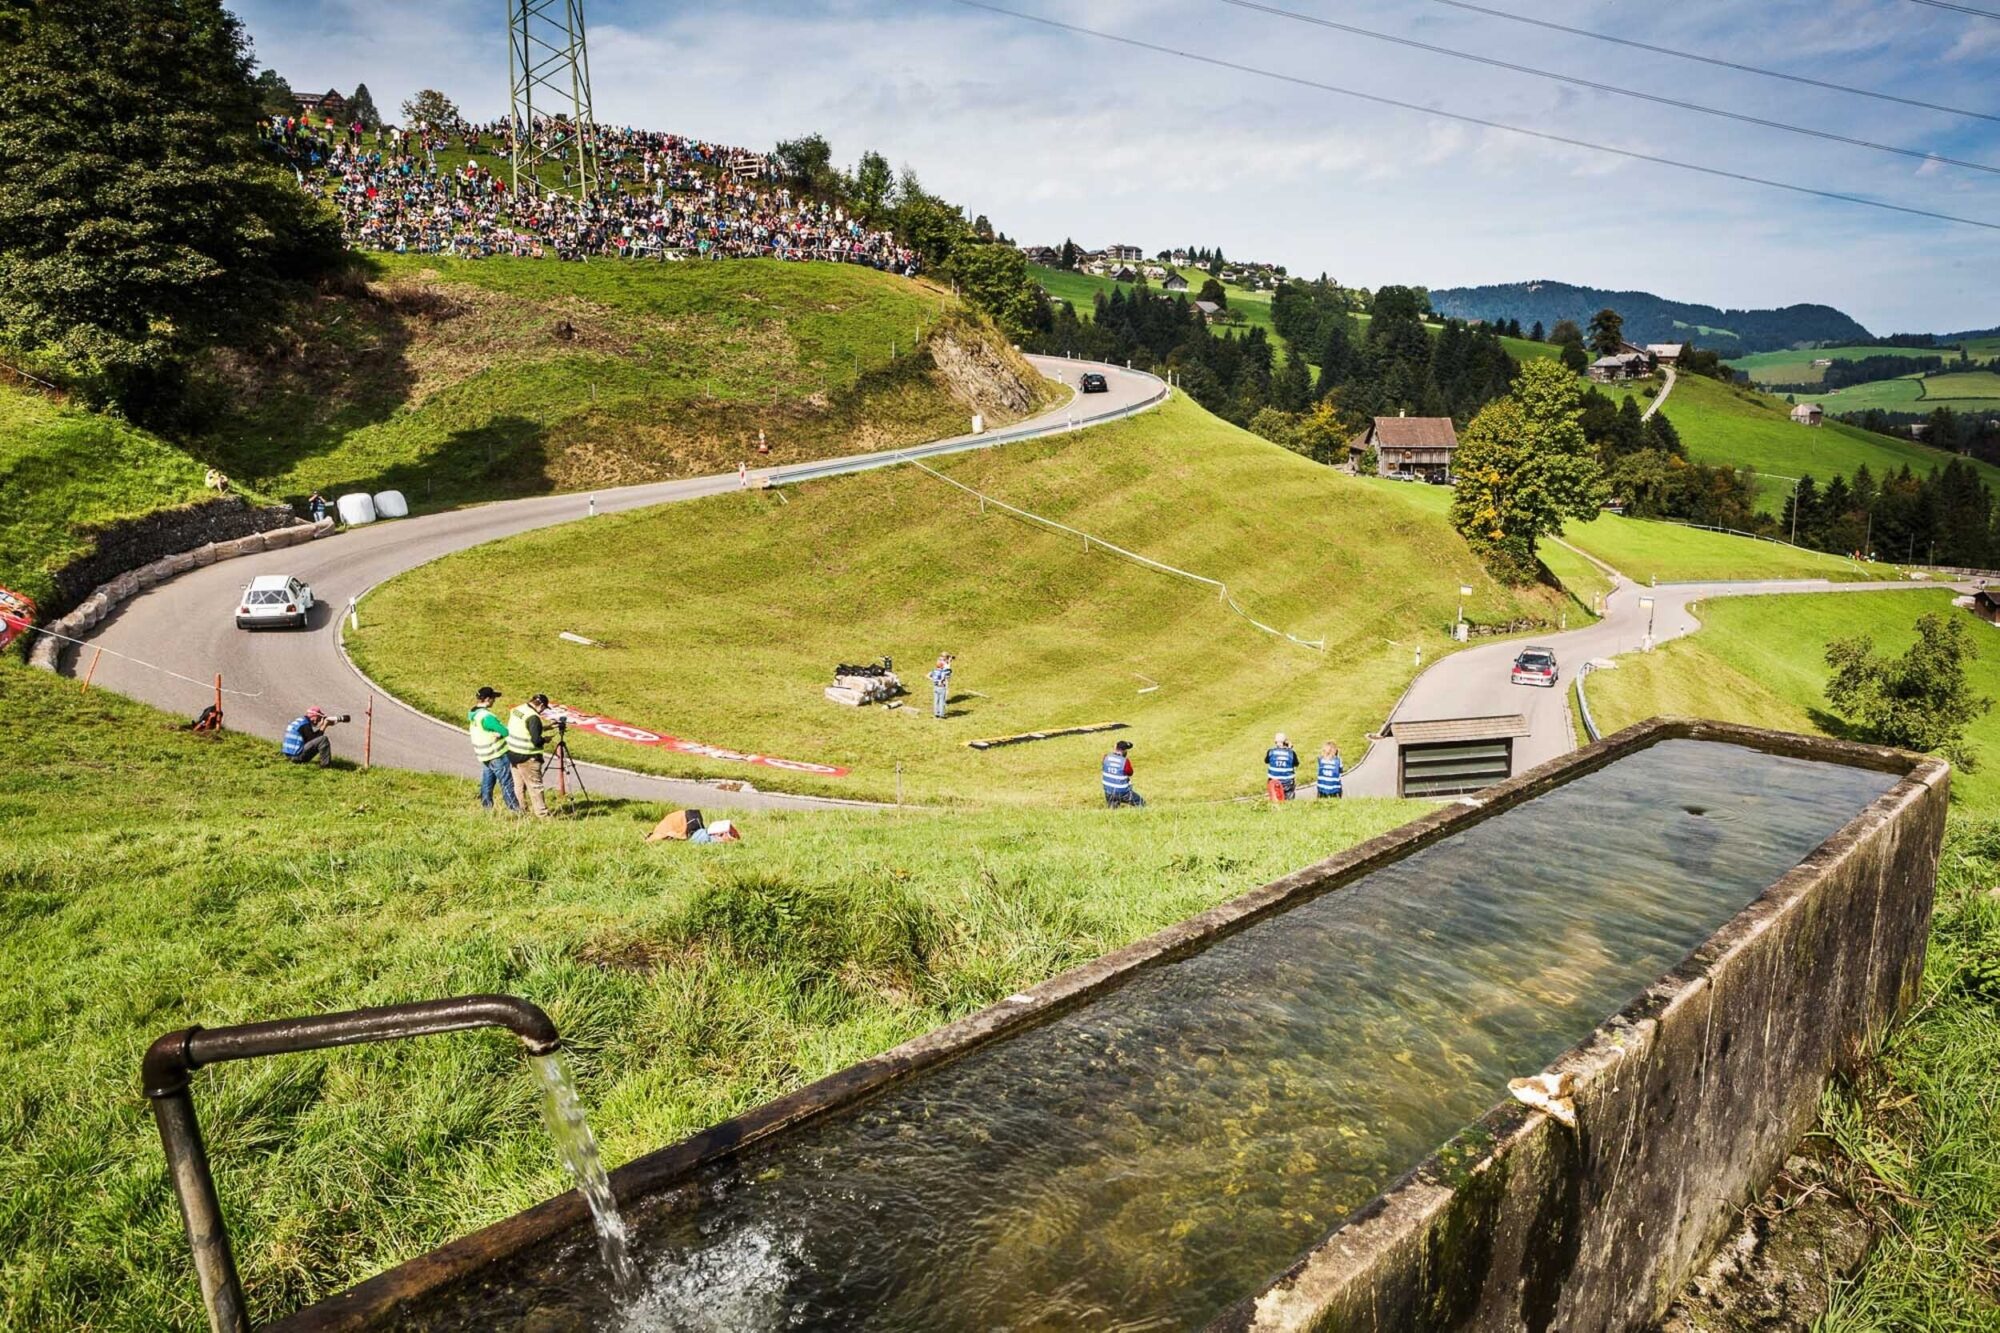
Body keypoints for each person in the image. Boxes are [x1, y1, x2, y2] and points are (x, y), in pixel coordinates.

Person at [468, 686, 520, 813]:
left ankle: (486, 807)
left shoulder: (473, 713)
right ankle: (515, 810)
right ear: (487, 699)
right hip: (497, 754)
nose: (494, 701)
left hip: (484, 755)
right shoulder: (487, 716)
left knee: (487, 782)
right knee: (507, 783)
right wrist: (501, 733)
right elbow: (504, 731)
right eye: (493, 698)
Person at [507, 692, 553, 818]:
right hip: (528, 756)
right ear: (541, 705)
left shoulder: (518, 709)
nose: (543, 711)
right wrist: (546, 740)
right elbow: (536, 740)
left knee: (519, 786)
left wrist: (546, 727)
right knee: (535, 787)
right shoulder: (533, 717)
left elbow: (524, 727)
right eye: (544, 709)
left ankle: (521, 811)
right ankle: (542, 815)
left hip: (513, 753)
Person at [1100, 739, 1145, 808]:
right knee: (1140, 802)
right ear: (1124, 751)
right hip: (1122, 792)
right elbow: (1130, 773)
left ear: (1115, 748)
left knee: (1113, 810)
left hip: (1108, 791)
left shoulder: (1106, 757)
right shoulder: (1125, 761)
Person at [1265, 731, 1299, 802]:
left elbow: (1266, 761)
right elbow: (1296, 764)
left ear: (1275, 742)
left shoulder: (1270, 752)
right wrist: (1289, 749)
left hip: (1273, 782)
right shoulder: (1291, 753)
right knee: (1288, 801)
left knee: (1274, 800)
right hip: (1287, 783)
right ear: (1285, 742)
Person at [929, 653, 953, 720]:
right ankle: (941, 714)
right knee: (942, 700)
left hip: (935, 686)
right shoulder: (943, 671)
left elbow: (928, 675)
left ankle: (936, 713)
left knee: (936, 700)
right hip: (942, 687)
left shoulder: (934, 670)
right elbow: (949, 673)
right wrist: (949, 663)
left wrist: (933, 680)